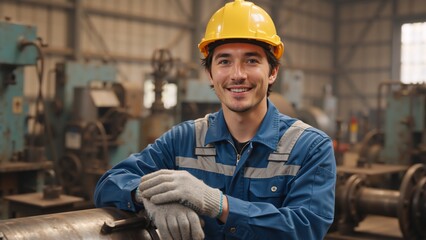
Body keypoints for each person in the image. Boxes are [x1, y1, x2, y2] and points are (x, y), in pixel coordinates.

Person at [94, 0, 336, 239]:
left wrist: (220, 205)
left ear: (272, 72)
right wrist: (146, 198)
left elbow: (306, 228)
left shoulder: (309, 148)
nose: (237, 74)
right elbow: (109, 183)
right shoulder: (183, 139)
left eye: (251, 60)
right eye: (224, 61)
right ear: (210, 73)